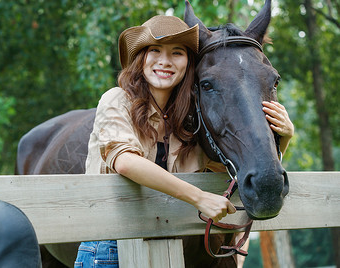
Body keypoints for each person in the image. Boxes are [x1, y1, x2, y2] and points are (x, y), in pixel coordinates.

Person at [74, 15, 294, 268]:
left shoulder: (188, 123)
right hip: (111, 247)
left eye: (176, 53)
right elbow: (124, 161)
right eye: (154, 50)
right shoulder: (117, 100)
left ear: (187, 63)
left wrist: (282, 138)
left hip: (170, 246)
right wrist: (199, 197)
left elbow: (241, 174)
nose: (165, 61)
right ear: (141, 58)